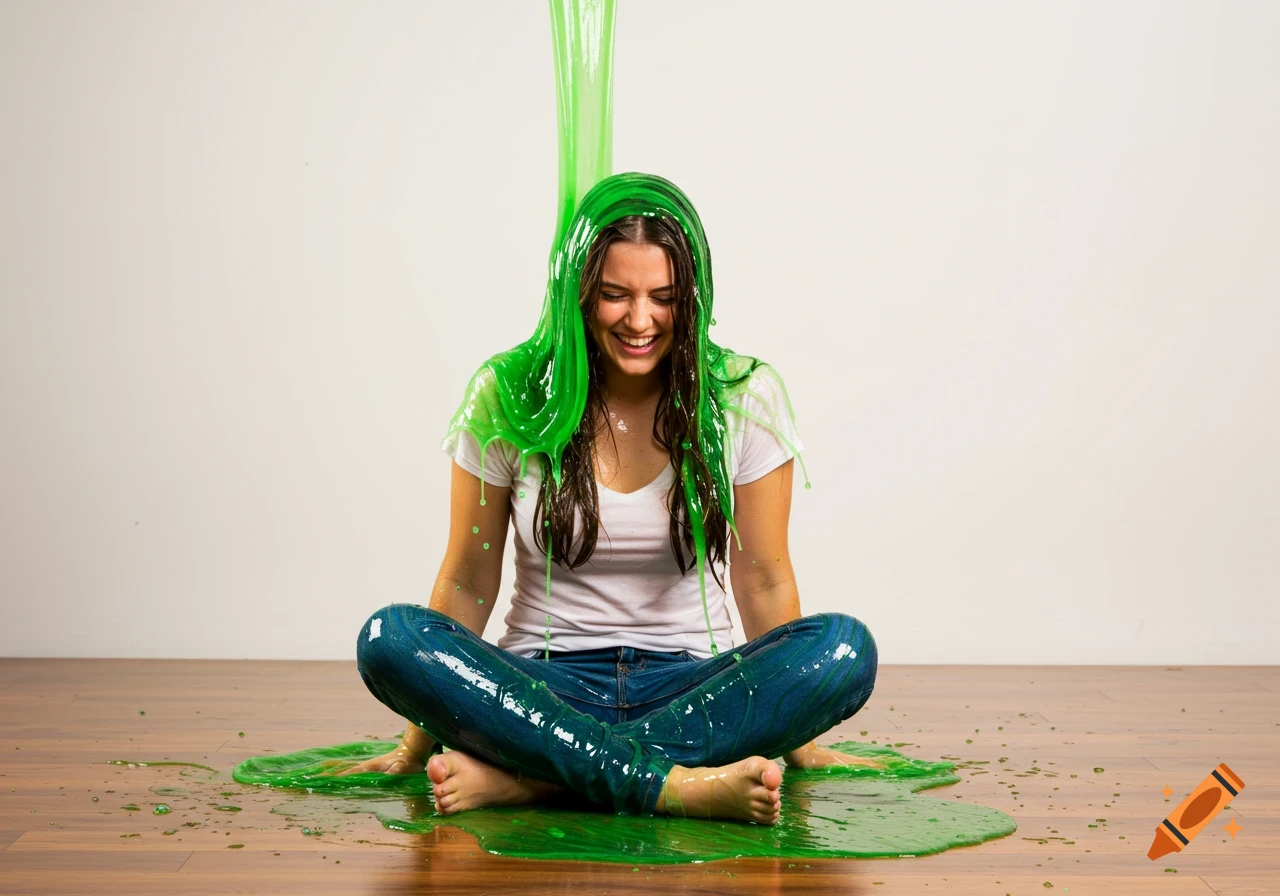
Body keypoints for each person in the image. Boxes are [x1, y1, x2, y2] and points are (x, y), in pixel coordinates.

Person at [343, 174, 879, 825]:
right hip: (537, 691)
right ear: (577, 294)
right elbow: (467, 577)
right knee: (391, 638)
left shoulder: (743, 397)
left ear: (694, 298)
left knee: (844, 650)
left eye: (664, 297)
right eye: (615, 296)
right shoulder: (509, 393)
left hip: (688, 690)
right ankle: (675, 784)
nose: (640, 319)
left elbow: (764, 577)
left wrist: (804, 739)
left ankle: (540, 780)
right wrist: (413, 740)